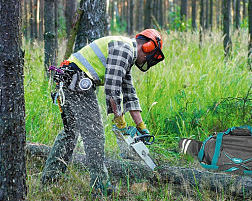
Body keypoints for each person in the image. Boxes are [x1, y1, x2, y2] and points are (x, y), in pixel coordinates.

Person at [41, 29, 165, 196]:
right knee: (94, 134)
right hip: (77, 81)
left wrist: (141, 126)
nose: (147, 61)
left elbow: (129, 92)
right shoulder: (125, 50)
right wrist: (120, 122)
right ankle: (99, 186)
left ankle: (50, 178)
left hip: (68, 79)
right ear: (148, 47)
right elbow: (113, 89)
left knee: (70, 133)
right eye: (151, 56)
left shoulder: (125, 51)